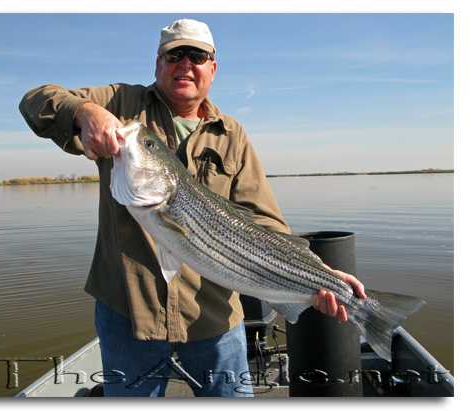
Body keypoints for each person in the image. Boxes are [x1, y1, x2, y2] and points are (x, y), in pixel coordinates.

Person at [19, 18, 366, 397]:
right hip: (128, 311)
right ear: (158, 65)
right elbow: (36, 100)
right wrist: (86, 111)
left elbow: (267, 223)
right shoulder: (122, 105)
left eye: (197, 56)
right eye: (174, 55)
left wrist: (317, 273)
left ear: (212, 69)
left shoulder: (232, 134)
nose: (185, 64)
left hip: (213, 316)